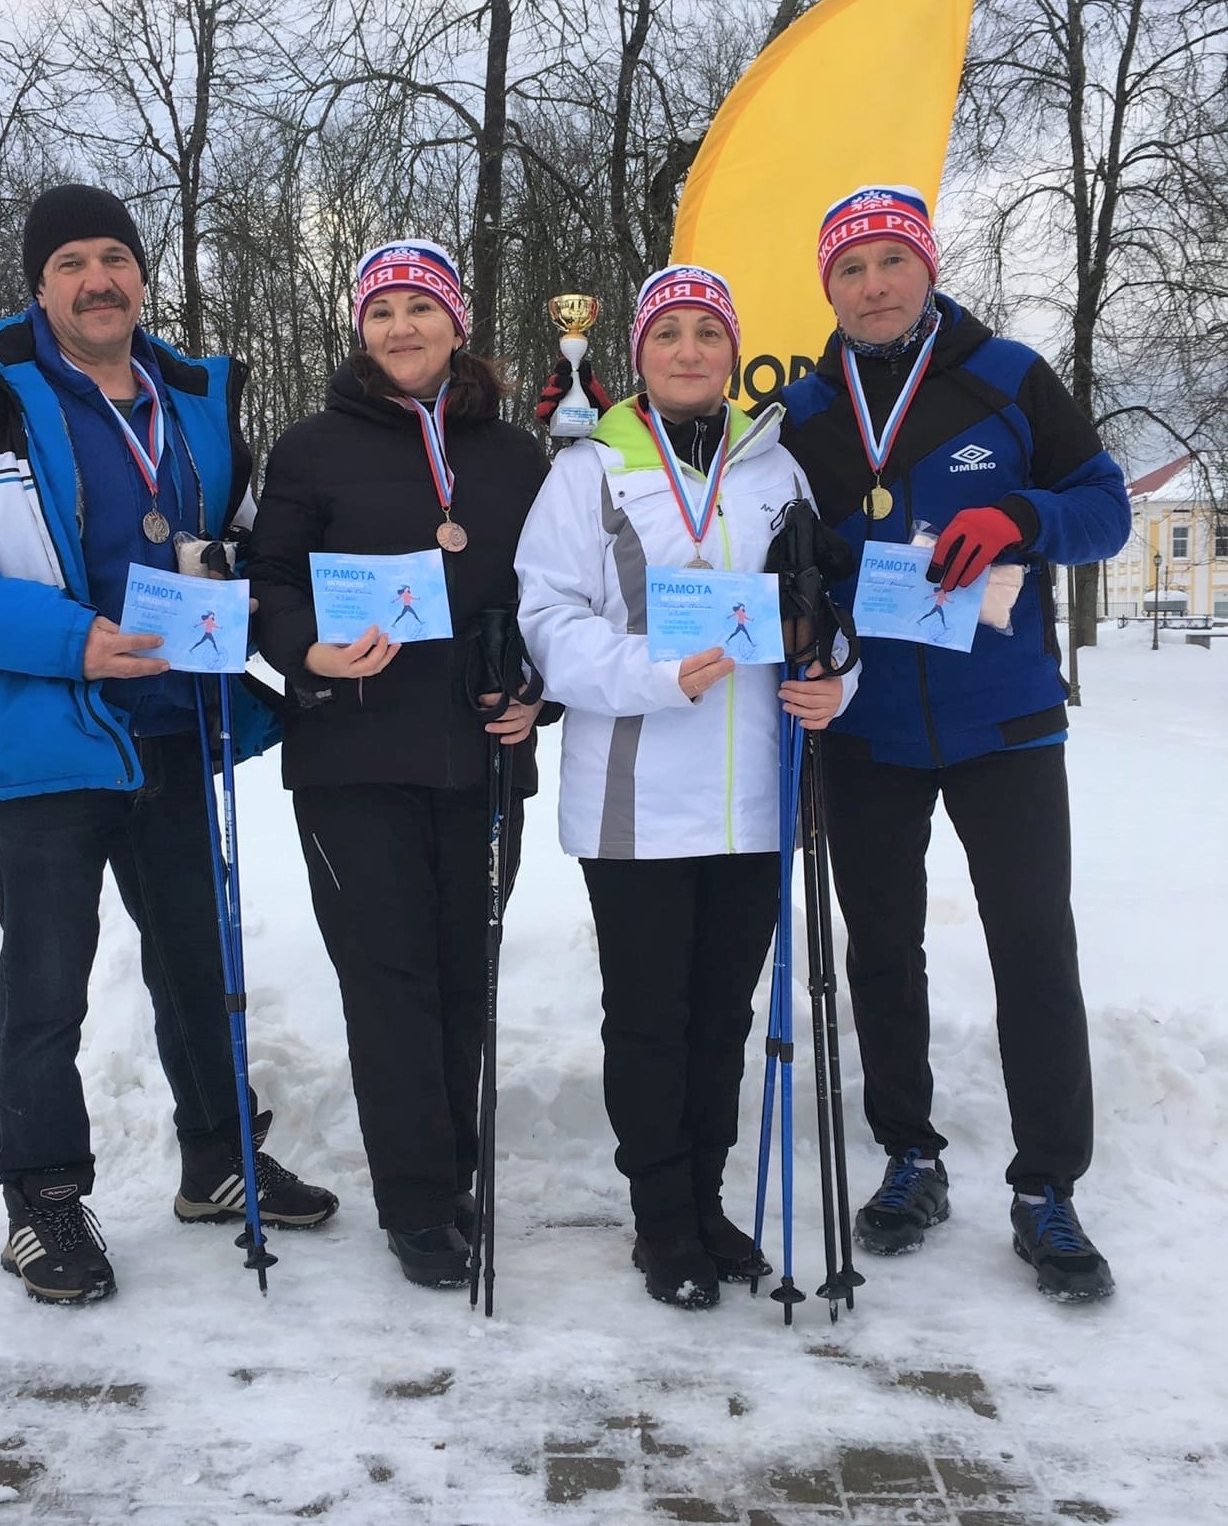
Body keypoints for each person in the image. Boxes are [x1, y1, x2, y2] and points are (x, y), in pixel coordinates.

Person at [0, 184, 336, 1305]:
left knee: (196, 962)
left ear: (140, 273)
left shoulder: (196, 394)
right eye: (70, 261)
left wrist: (304, 645)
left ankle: (217, 1158)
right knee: (46, 985)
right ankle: (42, 1200)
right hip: (50, 736)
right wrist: (73, 641)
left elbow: (252, 549)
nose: (96, 279)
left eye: (113, 256)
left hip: (175, 728)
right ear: (40, 282)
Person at [778, 184, 1132, 1303]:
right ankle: (908, 1153)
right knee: (879, 944)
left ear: (924, 267)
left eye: (889, 261)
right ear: (825, 286)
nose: (871, 285)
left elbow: (1105, 506)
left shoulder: (1008, 375)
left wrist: (1020, 517)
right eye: (849, 269)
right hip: (866, 725)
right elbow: (779, 549)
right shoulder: (801, 411)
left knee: (1031, 941)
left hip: (1002, 720)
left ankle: (1045, 1188)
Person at [516, 265, 854, 1311]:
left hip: (753, 790)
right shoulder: (589, 468)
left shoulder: (776, 468)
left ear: (732, 350)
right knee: (650, 1019)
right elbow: (547, 620)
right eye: (670, 333)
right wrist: (653, 677)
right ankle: (660, 1217)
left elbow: (818, 603)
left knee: (721, 1016)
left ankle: (706, 1198)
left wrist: (834, 677)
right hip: (633, 794)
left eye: (709, 331)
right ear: (639, 355)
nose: (690, 350)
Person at [247, 239, 550, 1289]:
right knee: (389, 982)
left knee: (464, 978)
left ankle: (453, 1171)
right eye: (380, 312)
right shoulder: (311, 446)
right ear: (360, 330)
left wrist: (536, 694)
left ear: (455, 323)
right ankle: (415, 1201)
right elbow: (269, 578)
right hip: (353, 756)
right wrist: (303, 646)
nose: (399, 328)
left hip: (481, 756)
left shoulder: (515, 455)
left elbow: (555, 599)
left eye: (419, 307)